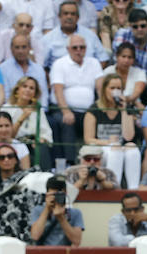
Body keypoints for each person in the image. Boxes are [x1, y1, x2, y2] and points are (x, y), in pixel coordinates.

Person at [48, 33, 103, 164]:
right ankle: (70, 163)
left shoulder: (94, 63)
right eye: (75, 47)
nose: (79, 50)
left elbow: (100, 88)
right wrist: (66, 111)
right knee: (66, 121)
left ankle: (95, 161)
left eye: (82, 47)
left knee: (99, 119)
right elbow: (58, 90)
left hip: (89, 110)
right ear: (68, 49)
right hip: (63, 109)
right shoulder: (59, 64)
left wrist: (102, 109)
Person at [84, 73, 138, 188]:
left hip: (120, 147)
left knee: (132, 147)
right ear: (104, 90)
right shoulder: (94, 110)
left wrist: (124, 110)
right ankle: (114, 187)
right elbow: (88, 139)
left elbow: (128, 137)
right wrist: (108, 142)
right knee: (116, 148)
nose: (115, 92)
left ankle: (134, 188)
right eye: (112, 88)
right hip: (102, 148)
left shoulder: (126, 108)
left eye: (119, 88)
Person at [41, 1, 108, 69]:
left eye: (73, 14)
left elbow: (103, 59)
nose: (69, 17)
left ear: (78, 17)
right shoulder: (48, 39)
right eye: (66, 13)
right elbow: (42, 65)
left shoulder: (90, 36)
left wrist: (93, 73)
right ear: (59, 16)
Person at [1, 77, 51, 166]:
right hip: (15, 143)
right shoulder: (7, 108)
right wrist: (22, 117)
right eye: (24, 86)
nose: (28, 90)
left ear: (35, 93)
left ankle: (45, 174)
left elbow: (46, 131)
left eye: (31, 88)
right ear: (17, 90)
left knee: (41, 148)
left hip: (34, 144)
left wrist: (42, 139)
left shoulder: (38, 110)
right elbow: (7, 135)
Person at [29, 175, 84, 246]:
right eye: (53, 194)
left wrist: (61, 218)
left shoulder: (75, 213)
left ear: (66, 193)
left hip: (64, 252)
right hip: (43, 251)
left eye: (60, 194)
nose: (57, 197)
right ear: (47, 194)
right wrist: (47, 209)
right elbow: (35, 236)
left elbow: (77, 241)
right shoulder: (38, 210)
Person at [0, 33, 50, 109]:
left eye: (24, 47)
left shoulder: (38, 69)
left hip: (35, 110)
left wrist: (40, 111)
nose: (20, 51)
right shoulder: (3, 68)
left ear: (29, 48)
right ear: (11, 49)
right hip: (12, 110)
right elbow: (6, 96)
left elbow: (43, 96)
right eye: (17, 47)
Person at [113, 8, 147, 77]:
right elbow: (117, 60)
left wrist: (139, 76)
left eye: (143, 26)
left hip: (146, 79)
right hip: (122, 75)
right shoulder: (122, 34)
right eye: (135, 27)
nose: (139, 29)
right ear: (130, 26)